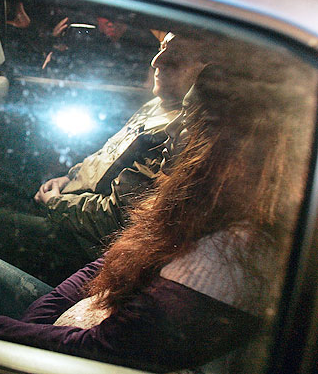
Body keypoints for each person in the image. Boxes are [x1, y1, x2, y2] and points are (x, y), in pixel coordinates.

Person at [0, 52, 316, 371]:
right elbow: (111, 260)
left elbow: (105, 350)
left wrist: (3, 330)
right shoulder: (204, 203)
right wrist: (40, 318)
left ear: (230, 150)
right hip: (88, 314)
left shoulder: (226, 260)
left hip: (82, 354)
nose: (176, 131)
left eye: (192, 120)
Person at [34, 31, 208, 256]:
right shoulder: (158, 104)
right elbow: (107, 155)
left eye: (175, 57)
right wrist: (70, 177)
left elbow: (116, 219)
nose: (156, 61)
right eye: (161, 48)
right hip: (70, 208)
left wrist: (55, 204)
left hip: (81, 241)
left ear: (208, 73)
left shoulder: (177, 134)